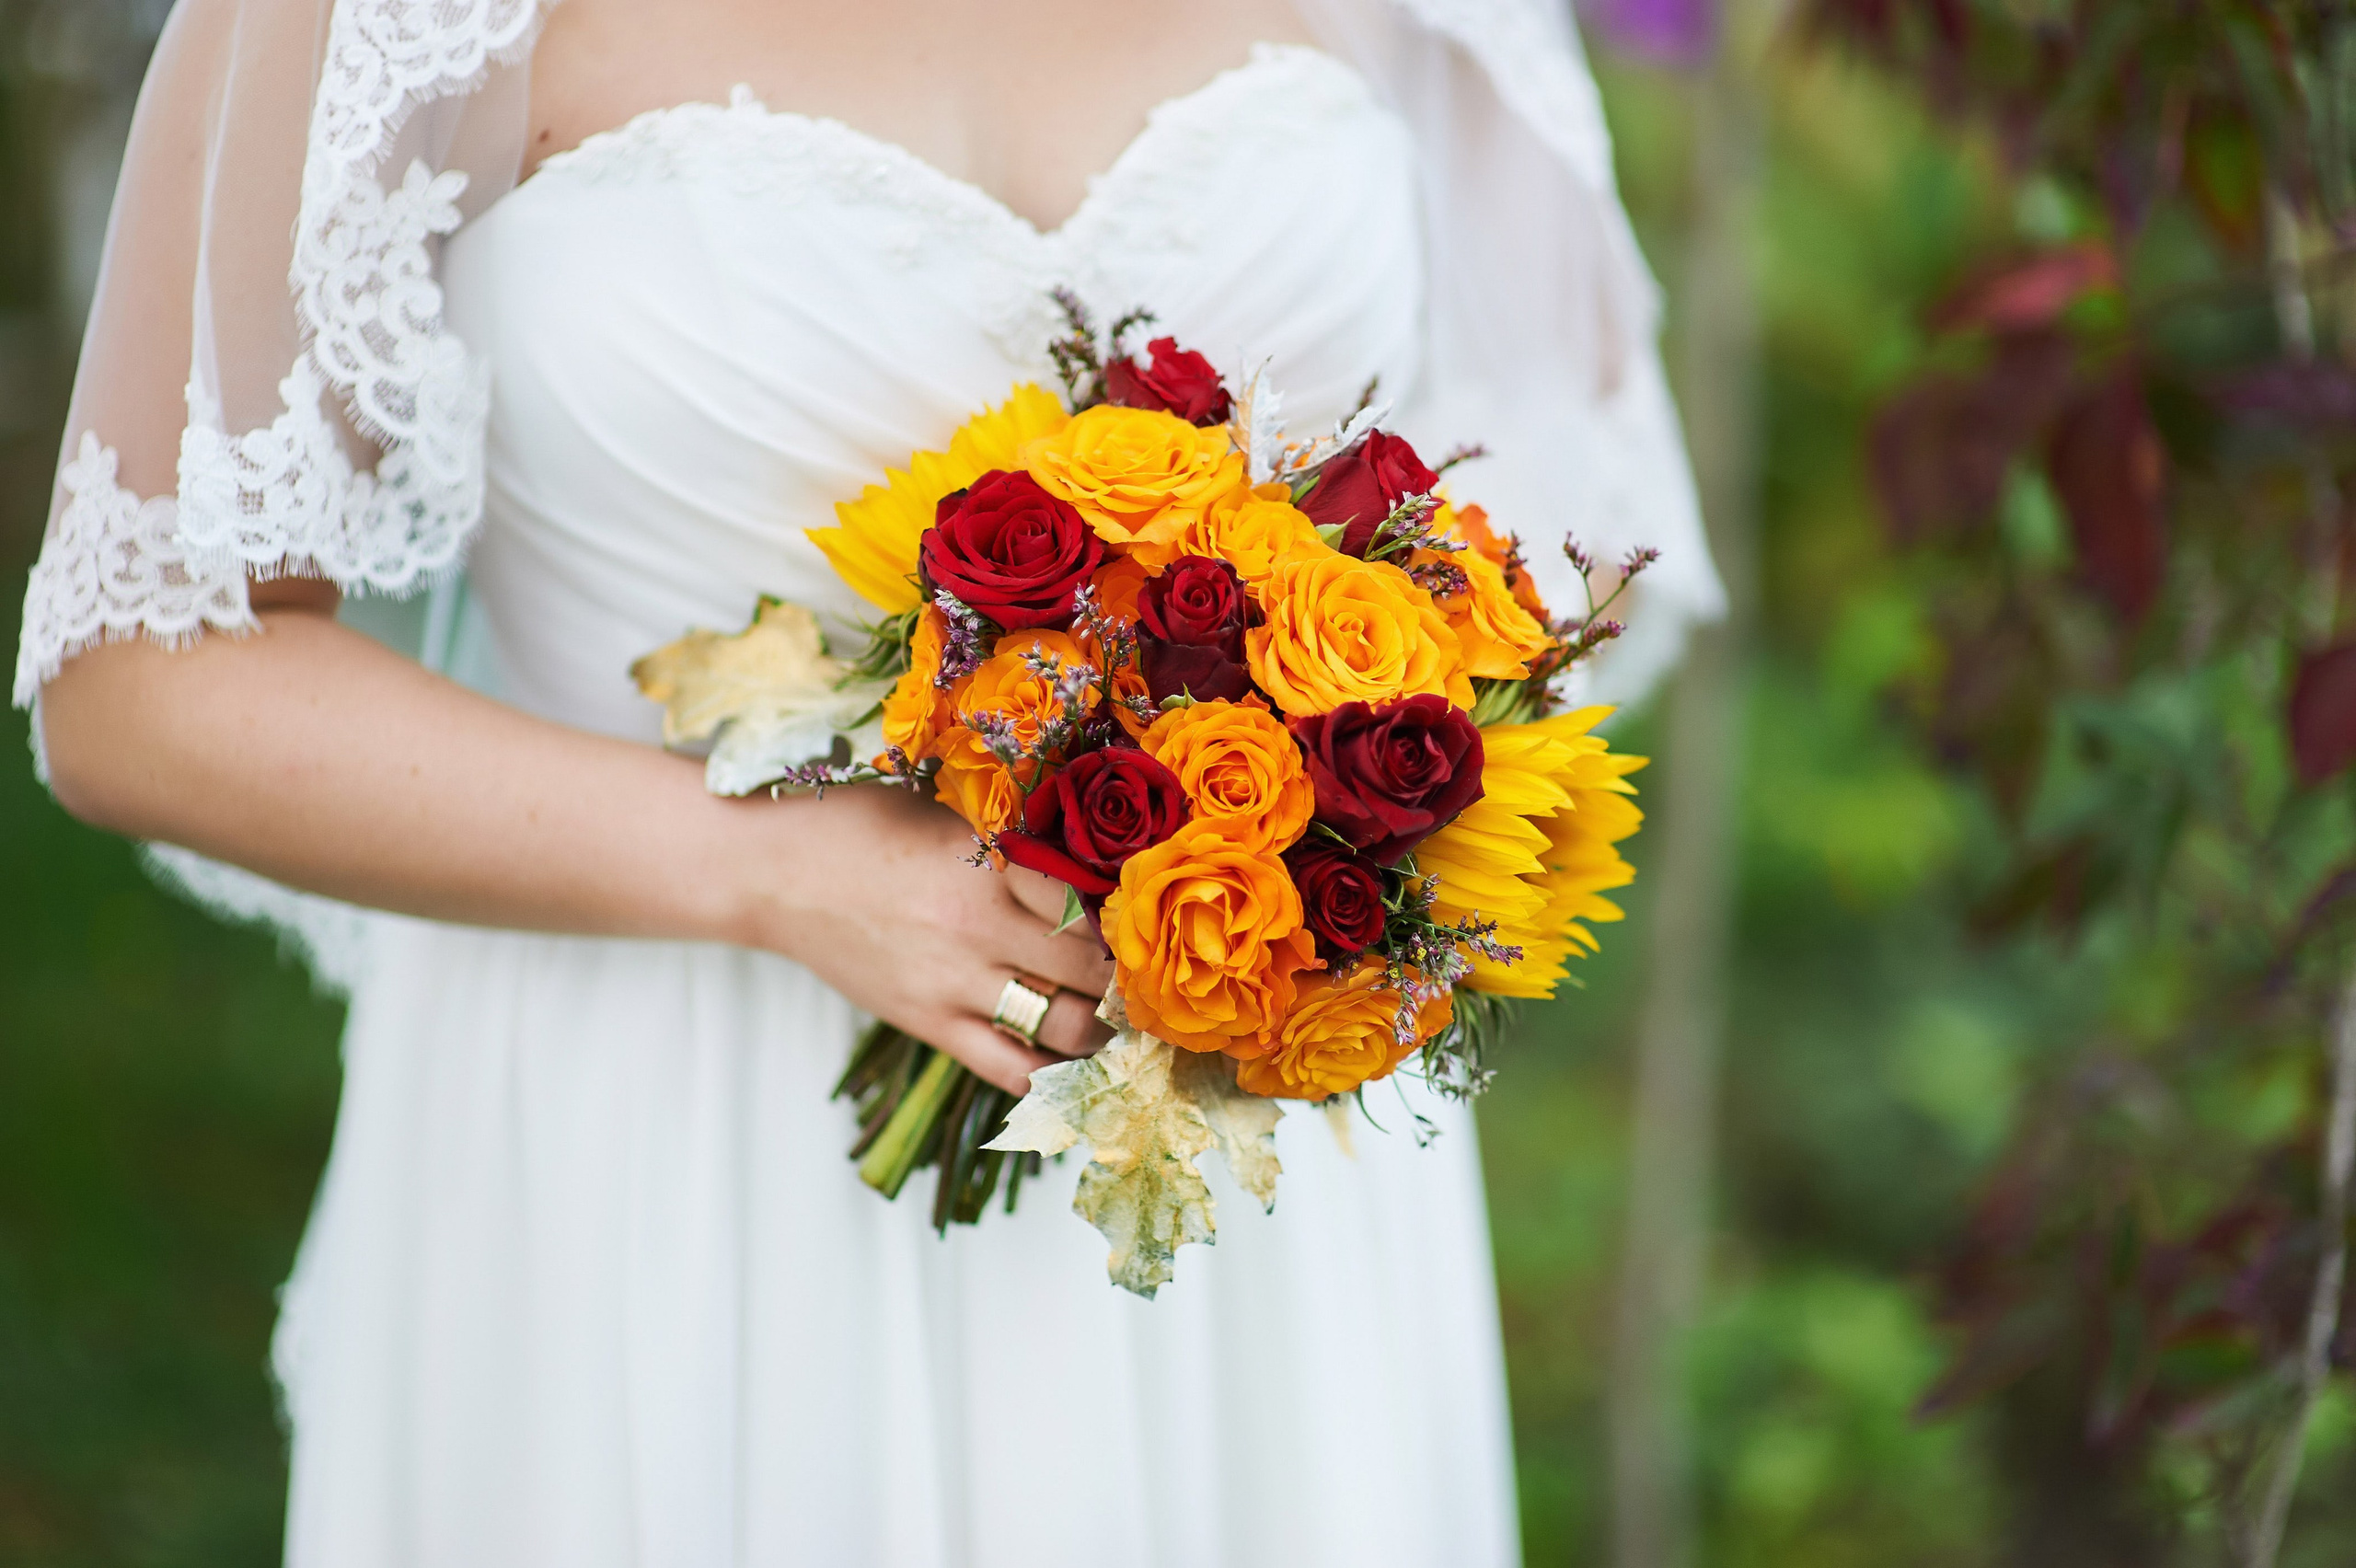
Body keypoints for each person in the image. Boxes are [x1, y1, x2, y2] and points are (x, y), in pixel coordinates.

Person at [12, 0, 1718, 1562]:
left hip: (1239, 1170)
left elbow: (1526, 539)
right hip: (669, 1152)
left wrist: (1325, 782)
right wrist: (774, 871)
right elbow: (137, 683)